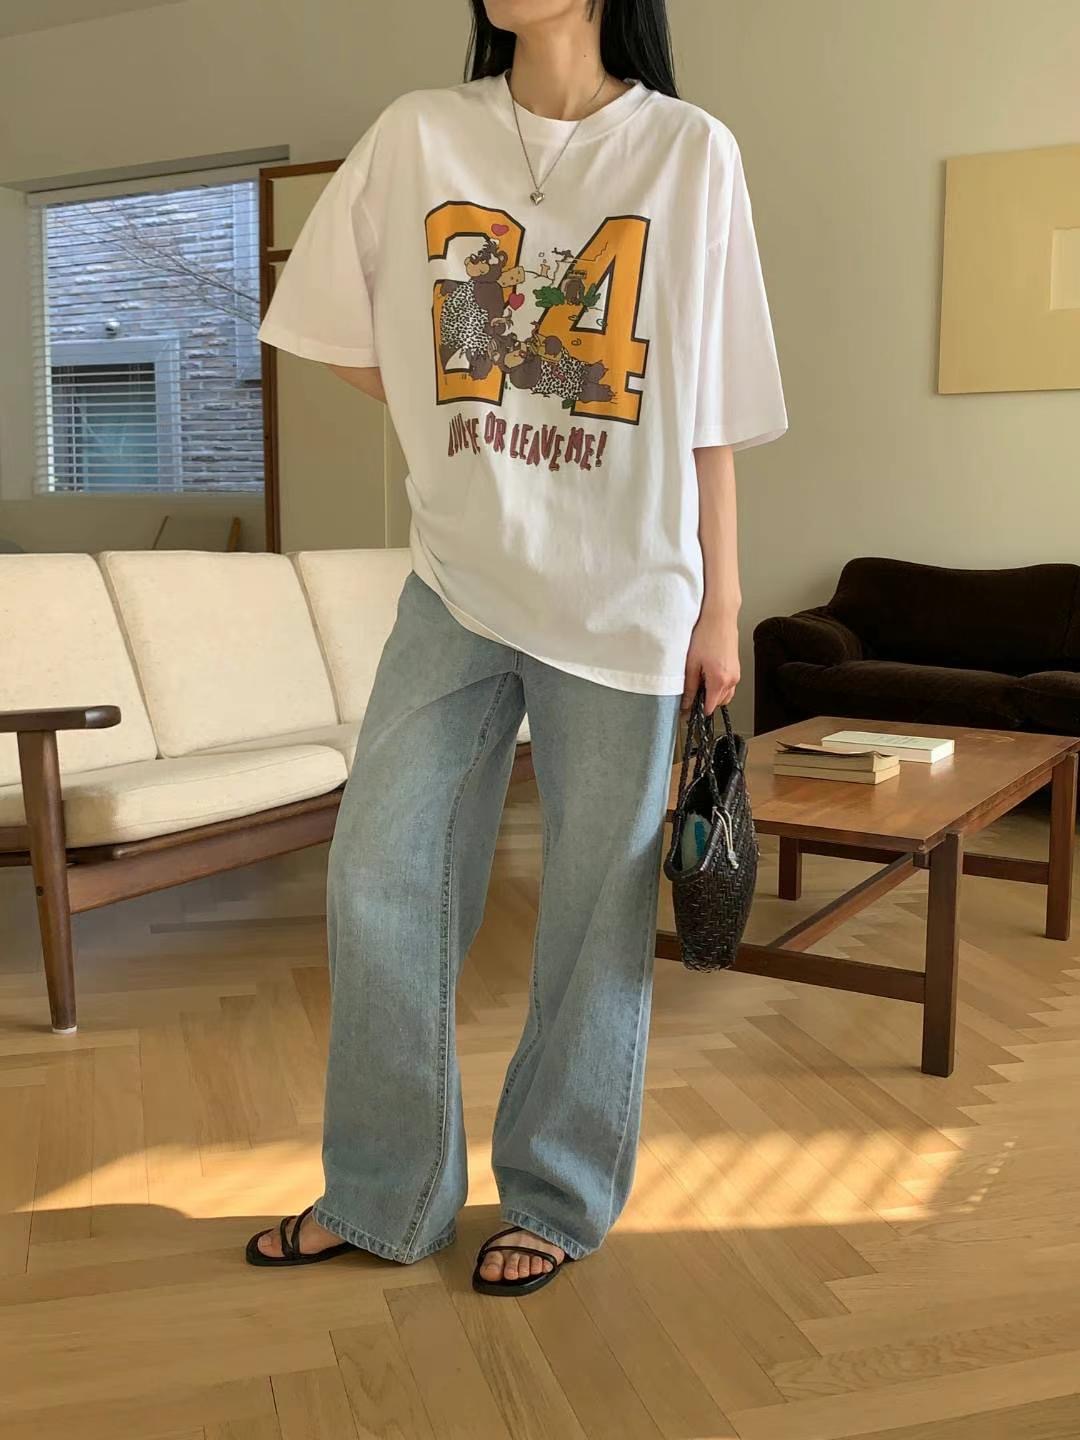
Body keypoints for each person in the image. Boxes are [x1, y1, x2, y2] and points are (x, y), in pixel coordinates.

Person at [248, 0, 786, 1296]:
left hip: (625, 597)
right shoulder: (419, 133)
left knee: (595, 915)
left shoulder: (689, 151)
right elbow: (331, 319)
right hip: (457, 581)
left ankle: (555, 1196)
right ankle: (386, 1193)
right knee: (377, 870)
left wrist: (719, 606)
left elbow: (708, 406)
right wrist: (461, 413)